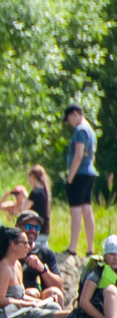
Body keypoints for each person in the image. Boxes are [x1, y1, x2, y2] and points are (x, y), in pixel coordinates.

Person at [65, 103, 97, 254]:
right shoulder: (90, 130)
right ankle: (90, 248)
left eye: (69, 119)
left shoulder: (79, 131)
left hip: (79, 173)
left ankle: (72, 248)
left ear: (74, 114)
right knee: (87, 210)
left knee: (76, 211)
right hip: (90, 172)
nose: (69, 123)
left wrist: (70, 178)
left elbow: (78, 155)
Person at [71, 234, 117, 318]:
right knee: (111, 290)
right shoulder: (97, 272)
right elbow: (84, 302)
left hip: (111, 316)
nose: (115, 258)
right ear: (105, 256)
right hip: (93, 317)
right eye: (111, 254)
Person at [28, 164, 53, 233]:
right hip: (44, 230)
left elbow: (22, 209)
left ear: (32, 177)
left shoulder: (34, 193)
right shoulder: (45, 193)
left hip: (33, 230)